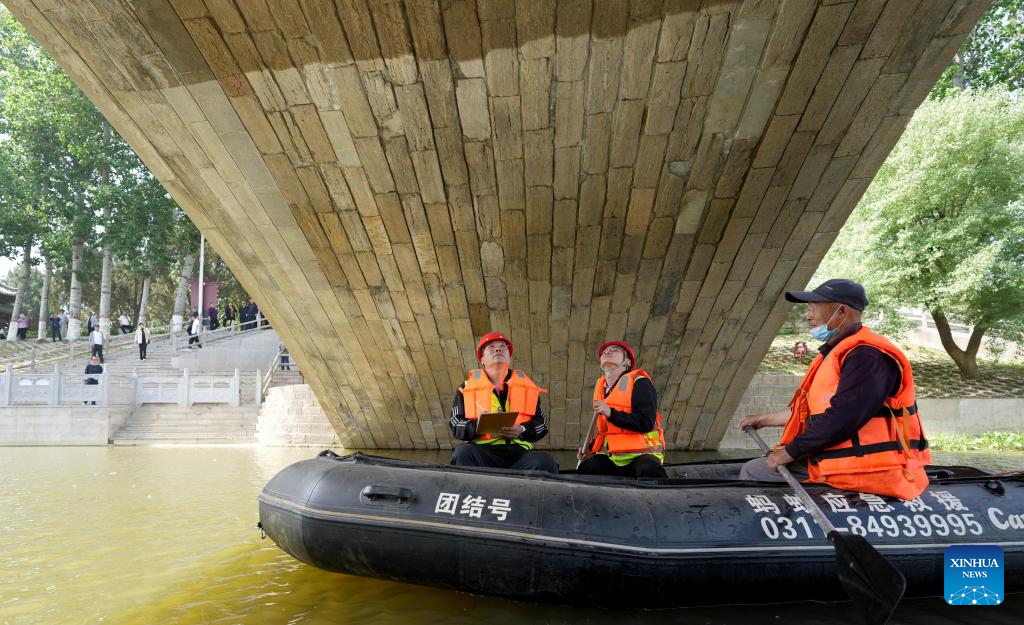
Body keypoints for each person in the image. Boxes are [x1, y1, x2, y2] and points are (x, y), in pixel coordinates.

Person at [737, 279, 930, 500]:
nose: (808, 315)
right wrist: (762, 419)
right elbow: (808, 412)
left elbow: (845, 416)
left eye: (813, 308)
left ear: (841, 311)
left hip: (866, 469)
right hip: (838, 460)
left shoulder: (867, 355)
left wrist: (790, 452)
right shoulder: (839, 352)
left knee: (754, 471)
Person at [448, 332, 558, 473]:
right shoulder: (465, 388)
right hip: (483, 452)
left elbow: (541, 424)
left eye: (503, 347)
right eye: (491, 347)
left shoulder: (528, 388)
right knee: (462, 454)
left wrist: (521, 430)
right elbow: (456, 424)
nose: (498, 349)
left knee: (545, 461)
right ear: (482, 359)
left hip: (520, 454)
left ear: (509, 357)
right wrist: (477, 426)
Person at [577, 341, 667, 479]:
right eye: (604, 352)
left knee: (648, 469)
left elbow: (646, 422)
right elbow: (606, 431)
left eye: (615, 350)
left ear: (627, 363)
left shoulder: (640, 382)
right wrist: (589, 449)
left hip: (642, 455)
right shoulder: (601, 389)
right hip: (614, 457)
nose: (607, 352)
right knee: (587, 468)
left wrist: (611, 413)